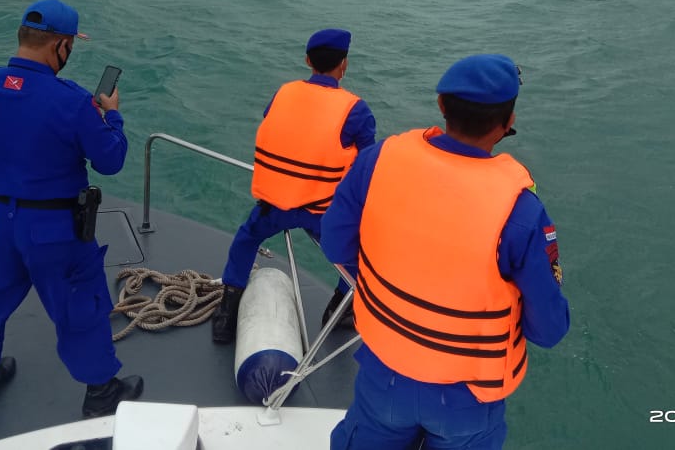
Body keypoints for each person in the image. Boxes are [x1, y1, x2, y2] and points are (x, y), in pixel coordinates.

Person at [321, 54, 570, 449]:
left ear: (441, 105)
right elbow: (548, 330)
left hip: (383, 373)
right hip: (467, 399)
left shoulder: (378, 160)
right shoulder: (521, 211)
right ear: (507, 123)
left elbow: (335, 243)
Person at [0, 0, 144, 418]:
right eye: (70, 44)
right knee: (78, 301)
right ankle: (101, 392)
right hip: (54, 229)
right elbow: (110, 161)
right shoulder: (73, 102)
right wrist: (112, 117)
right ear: (60, 46)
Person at [211, 28, 377, 344]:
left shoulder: (283, 92)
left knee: (246, 238)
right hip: (324, 212)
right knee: (362, 254)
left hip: (275, 206)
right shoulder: (355, 109)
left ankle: (226, 312)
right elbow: (368, 164)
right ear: (344, 64)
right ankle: (339, 311)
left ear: (306, 60)